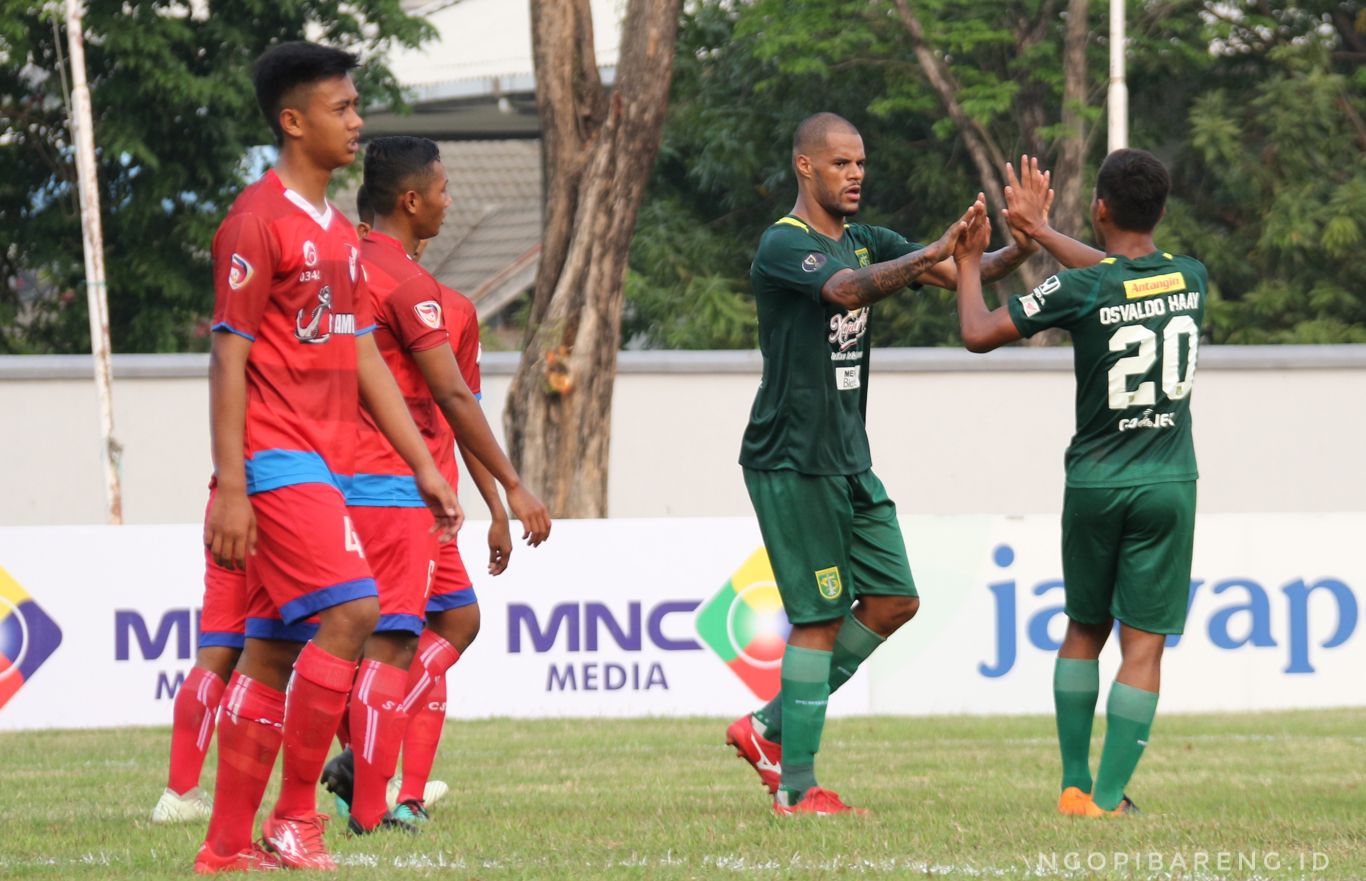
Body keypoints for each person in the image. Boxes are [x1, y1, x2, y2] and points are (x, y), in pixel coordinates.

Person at [196, 42, 460, 873]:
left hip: (331, 463)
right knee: (352, 613)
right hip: (277, 461)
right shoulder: (255, 221)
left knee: (273, 651)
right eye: (342, 108)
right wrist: (233, 487)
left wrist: (420, 462)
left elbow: (363, 358)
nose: (357, 120)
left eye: (356, 105)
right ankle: (296, 816)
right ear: (293, 120)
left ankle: (226, 845)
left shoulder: (340, 237)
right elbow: (226, 355)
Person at [728, 112, 1036, 815]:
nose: (857, 173)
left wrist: (1020, 241)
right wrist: (938, 245)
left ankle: (768, 725)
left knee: (896, 597)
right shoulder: (785, 243)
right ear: (806, 167)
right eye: (841, 163)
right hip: (792, 457)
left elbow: (972, 269)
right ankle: (798, 790)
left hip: (848, 457)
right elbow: (845, 290)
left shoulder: (867, 241)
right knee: (817, 618)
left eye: (861, 162)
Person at [952, 149, 1205, 817]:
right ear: (1162, 209)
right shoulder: (1192, 277)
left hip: (1095, 481)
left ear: (1099, 209)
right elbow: (1123, 275)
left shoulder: (1080, 289)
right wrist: (1042, 236)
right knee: (1144, 644)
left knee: (1084, 628)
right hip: (1169, 481)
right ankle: (1111, 795)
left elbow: (978, 331)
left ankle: (1073, 785)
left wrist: (973, 263)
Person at [323, 135, 550, 834]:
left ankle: (377, 775)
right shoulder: (407, 287)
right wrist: (514, 487)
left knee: (456, 620)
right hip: (393, 487)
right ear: (411, 199)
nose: (453, 201)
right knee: (385, 643)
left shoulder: (343, 270)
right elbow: (455, 400)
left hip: (408, 491)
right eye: (445, 190)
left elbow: (462, 408)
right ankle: (371, 788)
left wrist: (491, 506)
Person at [150, 483, 246, 823]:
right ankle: (363, 785)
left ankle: (179, 793)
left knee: (219, 648)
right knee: (337, 632)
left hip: (230, 501)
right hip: (293, 493)